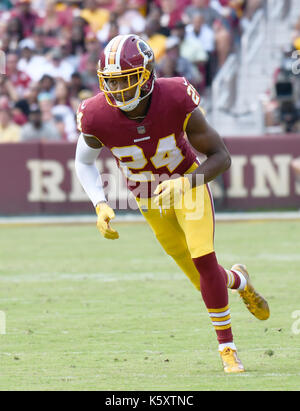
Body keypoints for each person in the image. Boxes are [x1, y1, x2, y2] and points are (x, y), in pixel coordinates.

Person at [74, 34, 270, 373]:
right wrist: (99, 203)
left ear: (147, 74)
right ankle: (238, 280)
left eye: (126, 80)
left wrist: (185, 182)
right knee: (201, 279)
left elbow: (221, 157)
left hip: (186, 184)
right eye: (112, 82)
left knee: (204, 262)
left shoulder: (176, 95)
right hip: (148, 199)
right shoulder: (95, 114)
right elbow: (83, 161)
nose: (118, 90)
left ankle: (228, 349)